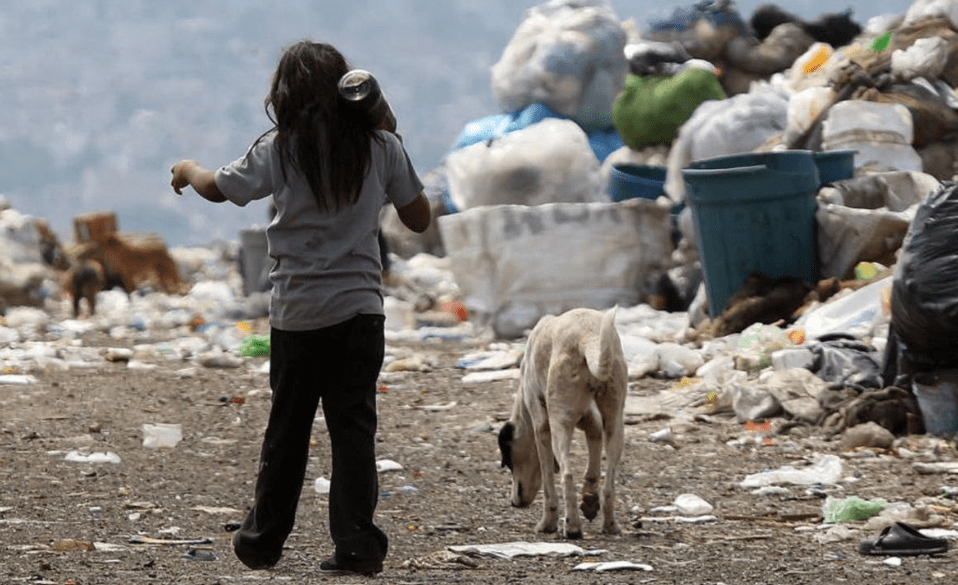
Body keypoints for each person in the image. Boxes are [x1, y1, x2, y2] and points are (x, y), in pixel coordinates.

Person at [170, 40, 430, 575]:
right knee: (353, 431)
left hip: (298, 315)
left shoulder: (281, 148)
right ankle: (357, 547)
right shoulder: (380, 147)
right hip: (361, 313)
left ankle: (262, 542)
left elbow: (221, 189)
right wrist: (392, 131)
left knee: (287, 431)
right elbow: (420, 218)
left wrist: (187, 168)